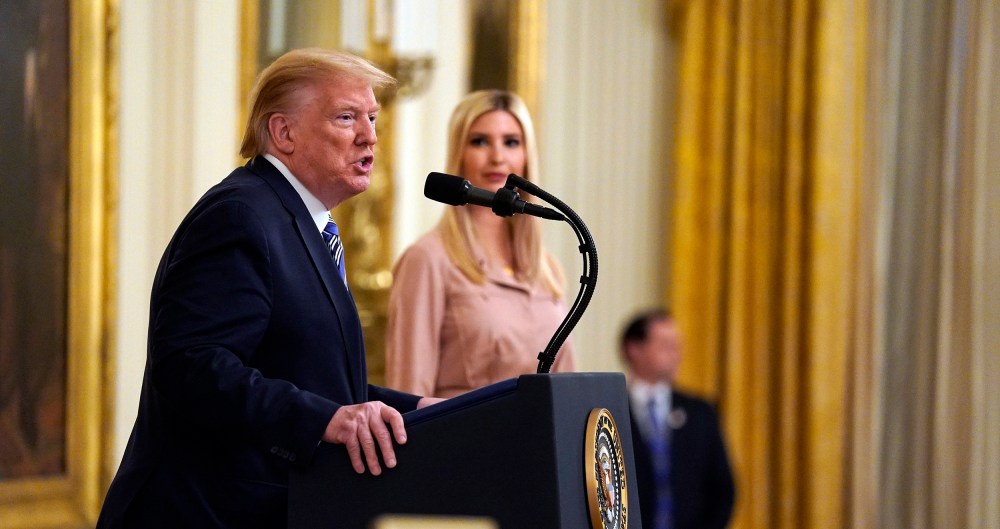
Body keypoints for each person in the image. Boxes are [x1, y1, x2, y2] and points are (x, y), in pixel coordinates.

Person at [96, 48, 440, 529]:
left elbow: (305, 377)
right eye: (346, 118)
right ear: (284, 132)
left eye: (372, 118)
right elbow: (192, 366)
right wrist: (322, 420)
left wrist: (417, 408)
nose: (370, 137)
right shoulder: (241, 215)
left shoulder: (300, 222)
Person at [384, 90, 575, 398]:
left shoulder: (547, 269)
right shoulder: (428, 258)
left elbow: (566, 390)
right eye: (480, 141)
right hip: (464, 442)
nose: (497, 157)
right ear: (459, 154)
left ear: (527, 156)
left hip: (539, 444)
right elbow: (408, 393)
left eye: (511, 142)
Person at [620, 308, 735, 529]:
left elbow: (722, 488)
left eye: (677, 346)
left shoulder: (700, 412)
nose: (676, 354)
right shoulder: (611, 412)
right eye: (665, 346)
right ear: (634, 349)